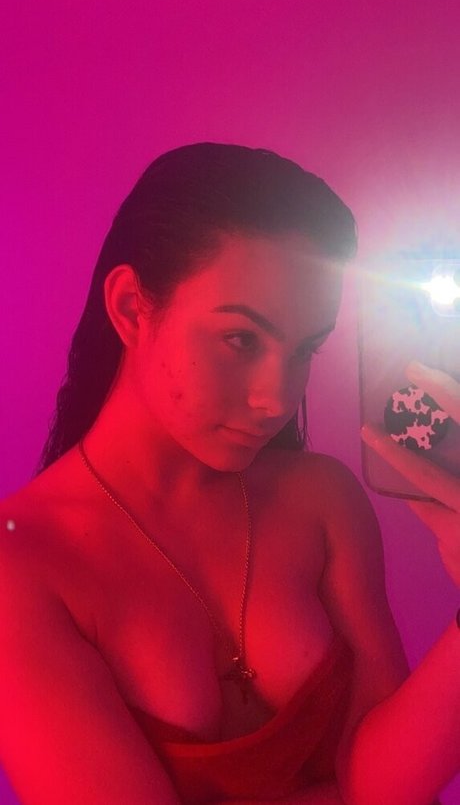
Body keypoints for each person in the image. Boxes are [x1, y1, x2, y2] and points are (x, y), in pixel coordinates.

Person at [0, 142, 457, 805]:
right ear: (131, 308)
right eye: (241, 339)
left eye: (305, 349)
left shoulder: (321, 500)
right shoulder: (25, 564)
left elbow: (385, 785)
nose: (278, 397)